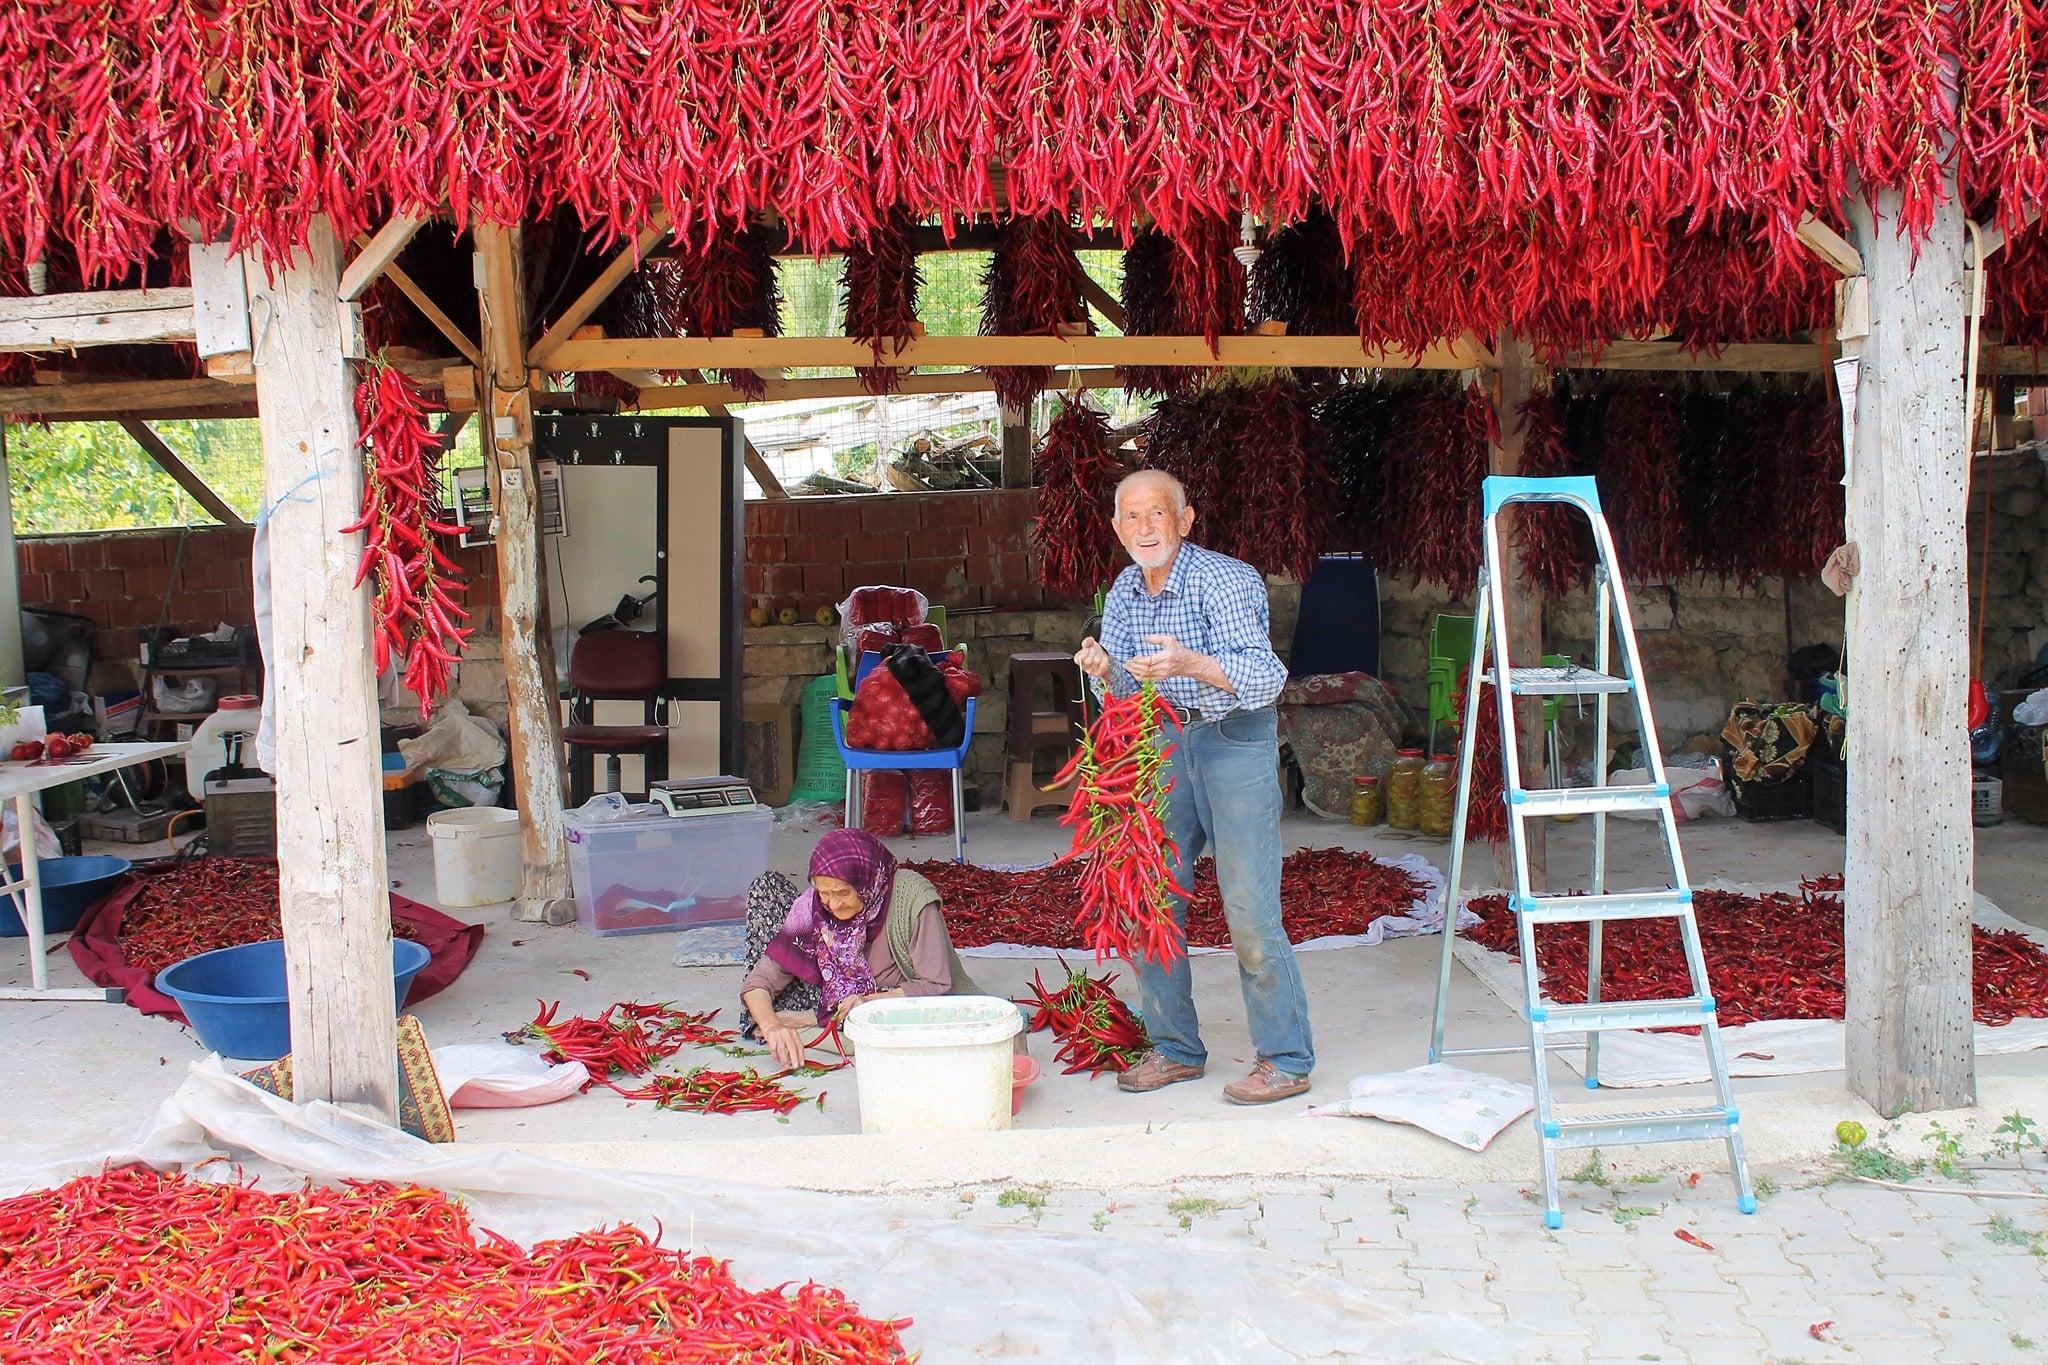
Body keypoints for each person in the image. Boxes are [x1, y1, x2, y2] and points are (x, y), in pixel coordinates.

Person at [1073, 468, 1314, 1104]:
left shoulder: (1226, 579)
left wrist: (1191, 663)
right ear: (1117, 526)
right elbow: (1129, 689)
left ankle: (1285, 1058)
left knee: (1249, 907)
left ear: (1185, 520)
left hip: (1234, 739)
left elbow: (1266, 679)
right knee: (1151, 897)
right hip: (1165, 743)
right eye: (1131, 516)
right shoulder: (1126, 587)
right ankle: (1176, 1048)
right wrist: (1103, 672)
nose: (1144, 528)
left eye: (1158, 514)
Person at [740, 829, 983, 1071]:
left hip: (889, 999)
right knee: (767, 886)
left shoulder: (911, 900)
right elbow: (758, 981)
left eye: (843, 893)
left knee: (890, 1028)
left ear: (867, 880)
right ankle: (814, 1020)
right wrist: (772, 1025)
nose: (833, 905)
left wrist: (870, 1002)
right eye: (824, 893)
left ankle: (812, 1021)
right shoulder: (812, 908)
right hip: (829, 990)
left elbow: (935, 985)